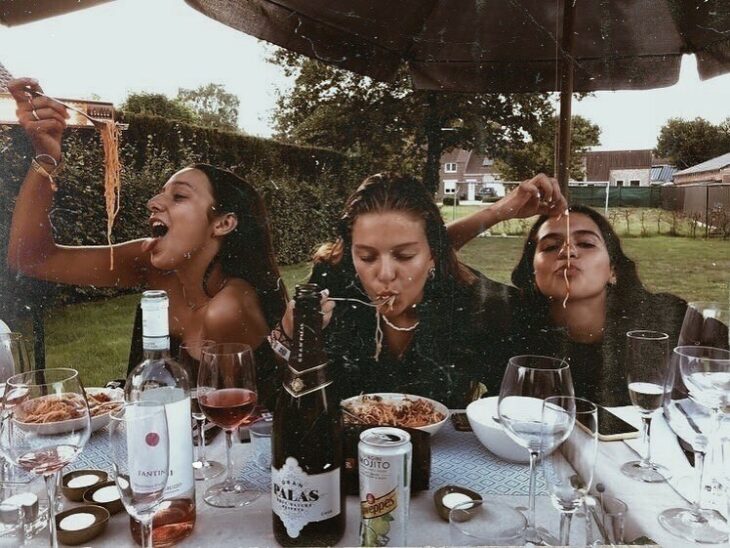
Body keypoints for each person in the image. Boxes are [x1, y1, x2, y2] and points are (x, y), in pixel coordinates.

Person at [6, 78, 287, 402]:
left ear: (223, 223)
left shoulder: (229, 306)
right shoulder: (151, 263)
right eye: (161, 192)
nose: (153, 201)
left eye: (179, 196)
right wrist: (45, 159)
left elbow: (231, 427)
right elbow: (31, 259)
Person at [270, 172, 552, 408]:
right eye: (366, 257)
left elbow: (516, 403)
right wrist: (288, 332)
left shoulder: (476, 304)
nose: (385, 274)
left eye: (404, 256)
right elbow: (274, 394)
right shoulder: (332, 285)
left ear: (434, 254)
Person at [508, 204, 687, 406]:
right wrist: (501, 210)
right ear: (532, 274)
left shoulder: (671, 319)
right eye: (550, 246)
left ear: (614, 270)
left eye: (586, 243)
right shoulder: (509, 321)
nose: (568, 252)